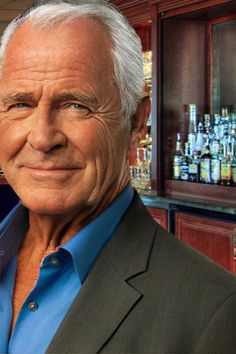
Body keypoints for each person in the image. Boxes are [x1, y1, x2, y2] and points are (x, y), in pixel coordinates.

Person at [0, 0, 235, 353]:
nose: (43, 137)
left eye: (77, 105)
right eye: (20, 104)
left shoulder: (213, 312)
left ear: (136, 123)